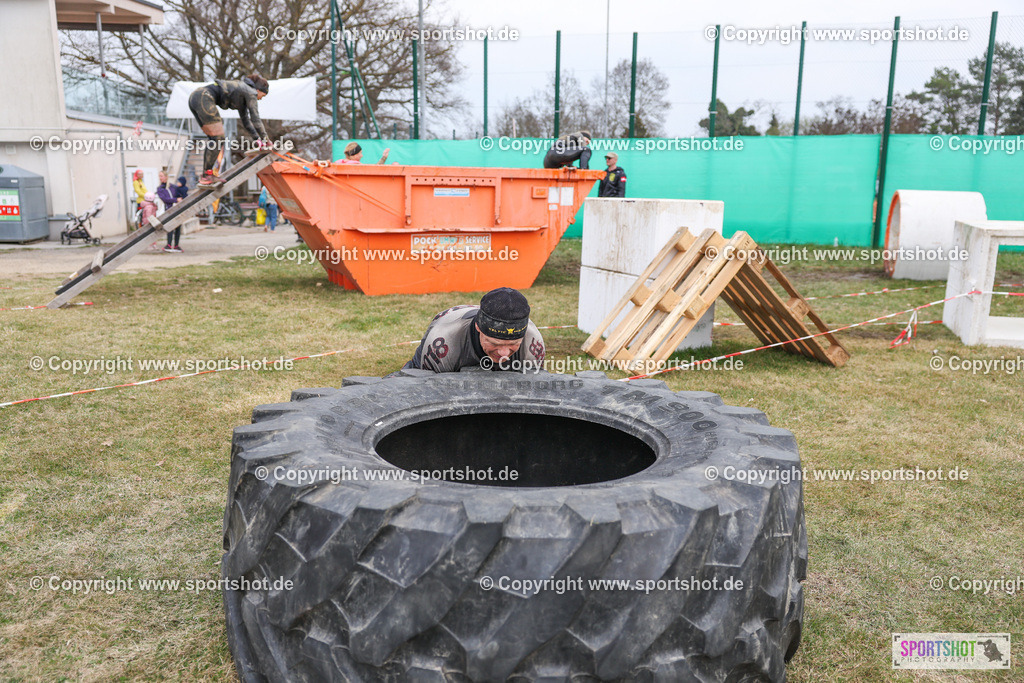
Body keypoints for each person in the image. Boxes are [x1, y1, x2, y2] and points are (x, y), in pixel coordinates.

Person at [403, 287, 546, 373]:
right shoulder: (444, 343)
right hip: (451, 326)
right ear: (478, 328)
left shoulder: (533, 344)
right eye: (495, 343)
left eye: (513, 344)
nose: (504, 353)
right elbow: (426, 393)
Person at [188, 73, 272, 187]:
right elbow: (255, 118)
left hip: (195, 97)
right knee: (218, 138)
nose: (261, 99)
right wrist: (266, 139)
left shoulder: (242, 92)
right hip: (204, 97)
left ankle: (206, 174)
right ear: (258, 90)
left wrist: (258, 139)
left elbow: (246, 121)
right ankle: (207, 175)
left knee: (214, 139)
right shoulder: (251, 92)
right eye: (263, 95)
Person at [156, 171, 182, 252]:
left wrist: (180, 198)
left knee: (178, 227)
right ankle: (169, 244)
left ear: (166, 177)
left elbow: (179, 194)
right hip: (168, 210)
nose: (160, 178)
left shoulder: (172, 187)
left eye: (162, 176)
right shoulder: (160, 188)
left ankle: (176, 245)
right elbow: (165, 199)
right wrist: (175, 200)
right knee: (170, 227)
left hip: (176, 209)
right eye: (159, 176)